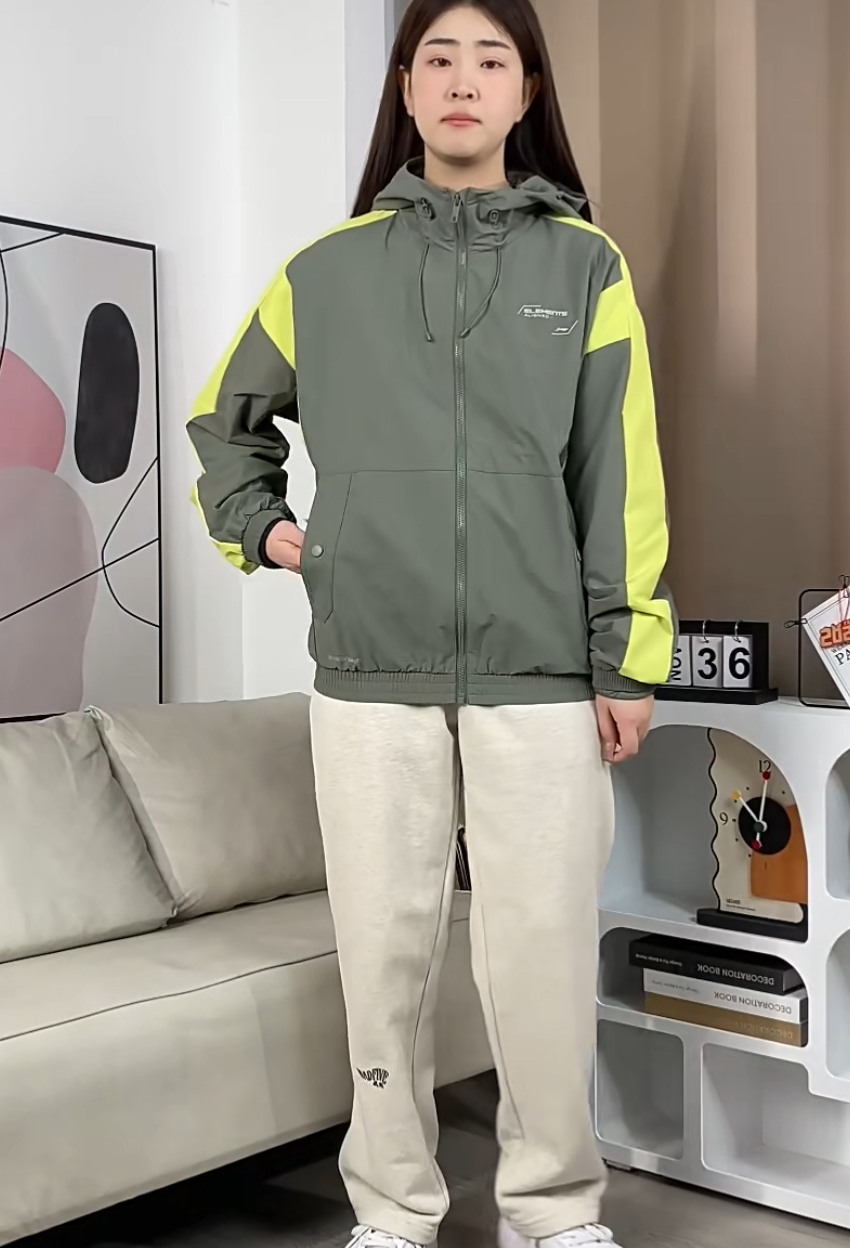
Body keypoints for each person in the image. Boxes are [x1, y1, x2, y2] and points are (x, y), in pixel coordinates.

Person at [188, 1, 676, 1244]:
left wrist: (628, 655)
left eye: (491, 60)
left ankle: (554, 1210)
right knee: (385, 957)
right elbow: (222, 423)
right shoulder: (324, 270)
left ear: (526, 92)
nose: (464, 80)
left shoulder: (585, 266)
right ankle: (394, 1209)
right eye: (439, 59)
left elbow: (620, 474)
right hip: (369, 670)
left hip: (542, 672)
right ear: (406, 89)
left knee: (542, 957)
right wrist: (273, 530)